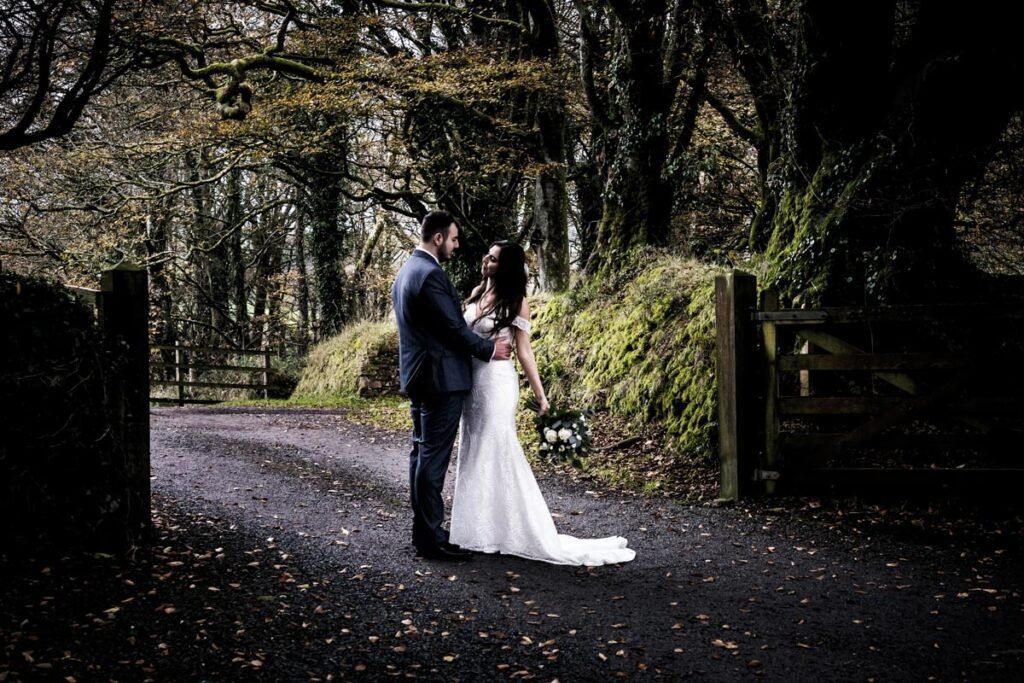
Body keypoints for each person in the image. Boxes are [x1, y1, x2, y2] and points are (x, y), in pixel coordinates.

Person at [449, 241, 636, 566]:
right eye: (487, 255)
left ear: (504, 266)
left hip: (497, 384)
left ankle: (508, 531)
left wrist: (541, 394)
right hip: (471, 385)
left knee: (495, 449)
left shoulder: (517, 303)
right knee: (473, 448)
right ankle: (475, 530)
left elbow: (524, 351)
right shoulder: (477, 292)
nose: (486, 260)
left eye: (493, 258)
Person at [392, 210, 511, 562]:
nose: (458, 246)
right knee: (432, 459)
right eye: (455, 239)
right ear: (439, 238)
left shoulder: (407, 271)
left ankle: (426, 532)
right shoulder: (429, 274)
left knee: (420, 454)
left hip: (419, 376)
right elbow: (453, 328)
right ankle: (430, 539)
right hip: (440, 380)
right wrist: (489, 349)